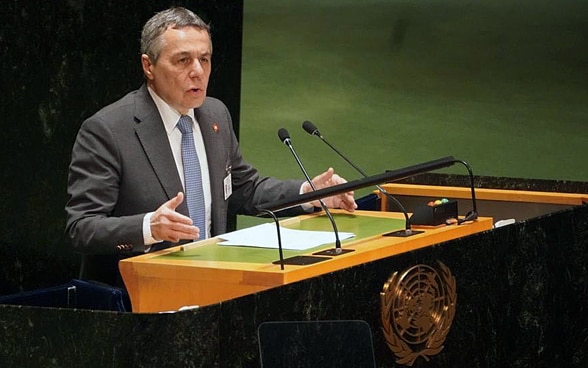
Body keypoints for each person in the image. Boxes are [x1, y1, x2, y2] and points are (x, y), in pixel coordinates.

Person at [65, 7, 356, 288]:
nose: (197, 71)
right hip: (141, 297)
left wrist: (311, 194)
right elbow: (82, 227)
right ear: (148, 66)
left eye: (204, 60)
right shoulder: (108, 130)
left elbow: (245, 189)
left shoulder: (215, 114)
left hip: (214, 283)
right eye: (183, 60)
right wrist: (148, 227)